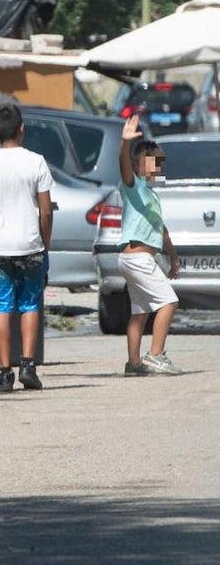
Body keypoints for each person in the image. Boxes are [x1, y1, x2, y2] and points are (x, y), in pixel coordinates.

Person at [0, 102, 53, 392]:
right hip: (30, 243)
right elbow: (46, 210)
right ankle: (28, 364)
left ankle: (5, 373)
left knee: (0, 306)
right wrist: (44, 243)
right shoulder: (36, 161)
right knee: (29, 304)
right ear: (22, 129)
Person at [117, 115, 182, 375]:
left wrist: (173, 257)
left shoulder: (151, 195)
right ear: (137, 164)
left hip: (135, 260)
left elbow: (161, 230)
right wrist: (124, 144)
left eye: (160, 165)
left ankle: (133, 364)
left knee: (140, 312)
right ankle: (155, 355)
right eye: (153, 164)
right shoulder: (134, 187)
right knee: (169, 302)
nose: (158, 169)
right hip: (137, 259)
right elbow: (123, 167)